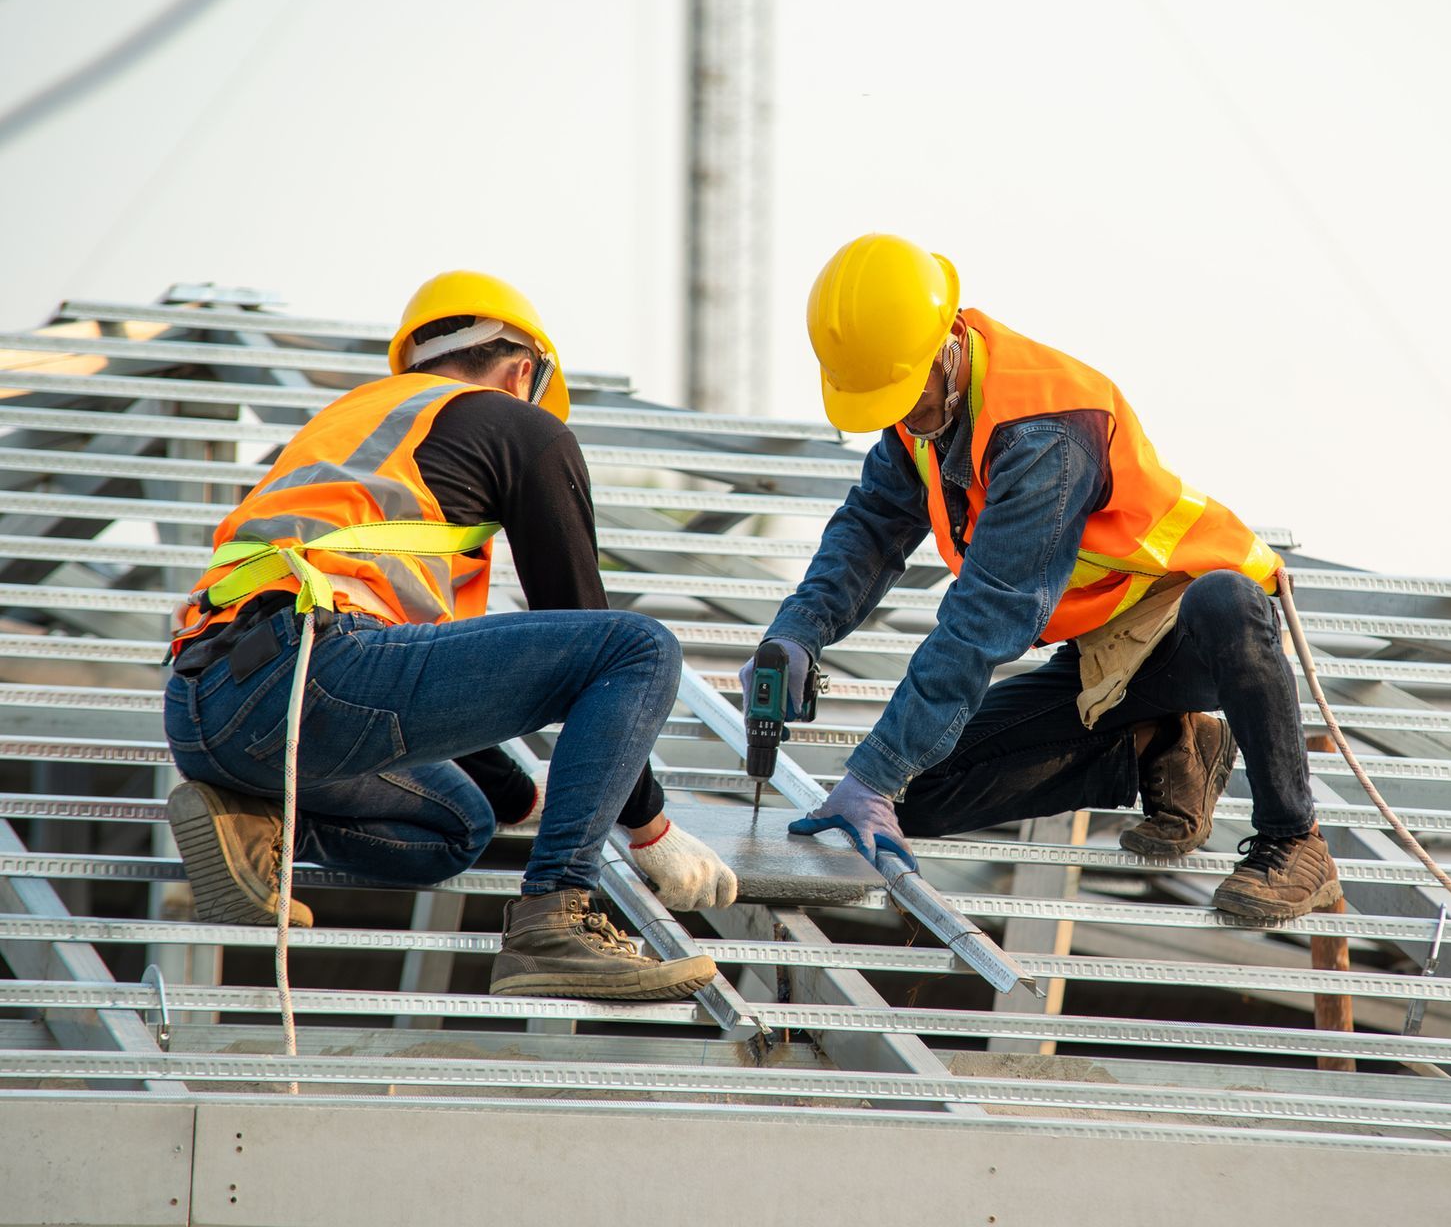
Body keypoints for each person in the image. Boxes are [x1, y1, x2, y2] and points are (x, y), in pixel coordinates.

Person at [163, 271, 736, 1000]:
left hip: (203, 703)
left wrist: (523, 795)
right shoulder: (518, 424)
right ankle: (556, 918)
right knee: (639, 648)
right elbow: (582, 618)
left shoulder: (354, 426)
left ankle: (252, 822)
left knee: (462, 823)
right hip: (315, 673)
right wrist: (648, 825)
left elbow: (426, 689)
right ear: (522, 371)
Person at [761, 234, 1340, 922]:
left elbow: (989, 613)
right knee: (912, 797)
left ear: (947, 339)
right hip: (1102, 654)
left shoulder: (1044, 432)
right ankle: (1160, 744)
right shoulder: (918, 405)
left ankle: (1294, 840)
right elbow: (869, 528)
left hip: (1186, 622)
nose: (901, 419)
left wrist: (874, 767)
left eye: (905, 396)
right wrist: (798, 632)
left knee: (1228, 602)